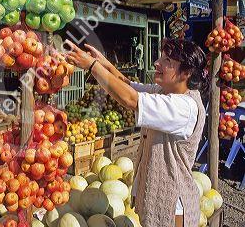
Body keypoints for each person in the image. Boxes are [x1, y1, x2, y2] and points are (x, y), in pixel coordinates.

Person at [65, 38, 209, 227]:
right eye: (161, 58)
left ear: (186, 73)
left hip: (172, 205)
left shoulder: (184, 107)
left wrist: (92, 66)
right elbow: (128, 85)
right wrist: (104, 63)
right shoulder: (165, 92)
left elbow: (131, 100)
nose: (157, 63)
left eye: (167, 61)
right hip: (159, 198)